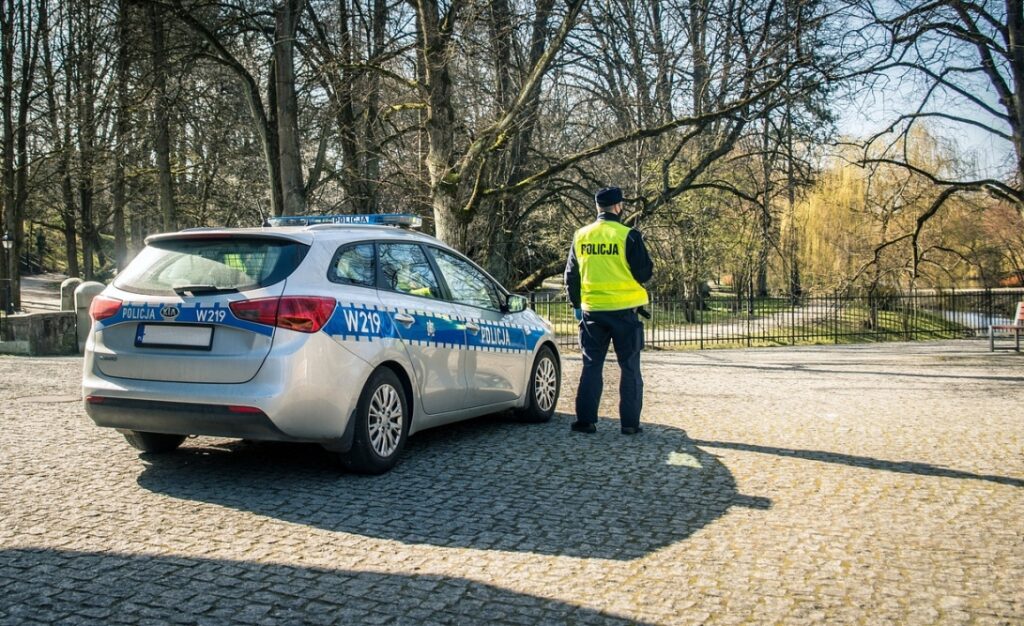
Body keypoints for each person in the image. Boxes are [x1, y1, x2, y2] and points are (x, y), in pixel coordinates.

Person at [564, 186, 653, 435]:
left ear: (597, 207)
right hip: (625, 311)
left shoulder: (581, 236)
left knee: (592, 365)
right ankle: (630, 424)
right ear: (618, 206)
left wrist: (577, 305)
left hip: (593, 311)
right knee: (630, 367)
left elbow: (571, 275)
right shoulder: (629, 236)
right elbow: (644, 273)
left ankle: (585, 421)